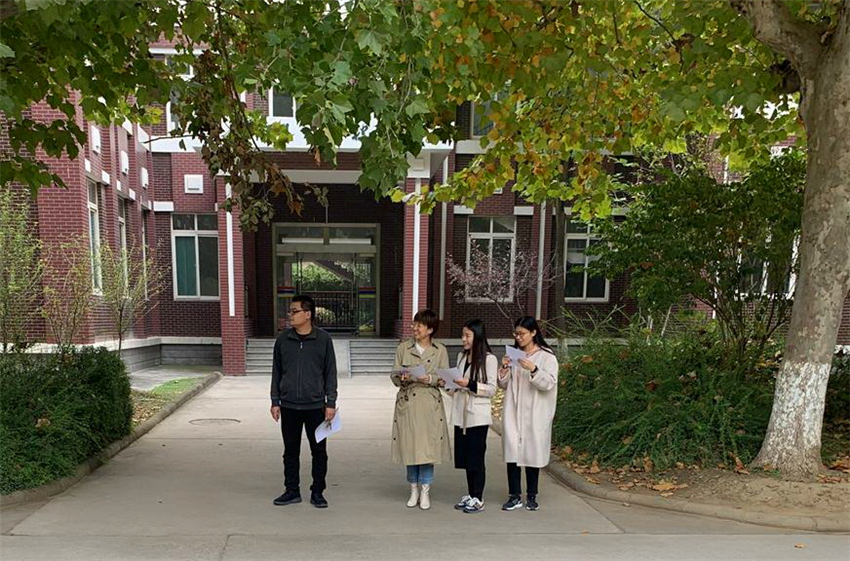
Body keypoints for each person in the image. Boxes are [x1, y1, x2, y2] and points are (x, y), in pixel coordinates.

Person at [270, 294, 338, 509]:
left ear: (308, 314)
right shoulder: (283, 340)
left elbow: (330, 372)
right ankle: (292, 490)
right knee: (290, 451)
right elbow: (276, 372)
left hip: (316, 406)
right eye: (290, 311)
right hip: (289, 405)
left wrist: (330, 402)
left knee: (319, 452)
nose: (290, 315)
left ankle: (317, 492)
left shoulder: (323, 339)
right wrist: (275, 400)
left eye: (295, 311)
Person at [390, 309, 451, 510]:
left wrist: (430, 378)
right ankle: (413, 488)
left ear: (430, 329)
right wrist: (402, 377)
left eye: (419, 325)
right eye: (414, 324)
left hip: (429, 403)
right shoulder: (403, 348)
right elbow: (394, 375)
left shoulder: (440, 350)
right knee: (411, 447)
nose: (415, 328)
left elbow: (445, 379)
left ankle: (425, 489)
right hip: (408, 402)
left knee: (427, 449)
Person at [497, 316, 558, 512]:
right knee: (512, 452)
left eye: (522, 333)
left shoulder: (547, 357)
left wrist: (534, 369)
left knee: (532, 453)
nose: (519, 337)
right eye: (516, 334)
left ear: (533, 333)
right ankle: (514, 495)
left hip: (535, 412)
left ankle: (532, 495)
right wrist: (504, 368)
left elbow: (549, 383)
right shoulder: (515, 355)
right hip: (513, 410)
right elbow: (503, 384)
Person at [450, 319, 498, 514]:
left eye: (467, 335)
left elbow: (492, 389)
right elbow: (457, 383)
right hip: (461, 414)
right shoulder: (462, 356)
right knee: (466, 457)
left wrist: (469, 384)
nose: (464, 339)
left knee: (476, 457)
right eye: (463, 335)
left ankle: (478, 497)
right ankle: (471, 494)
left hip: (477, 416)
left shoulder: (489, 359)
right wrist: (449, 384)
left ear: (477, 336)